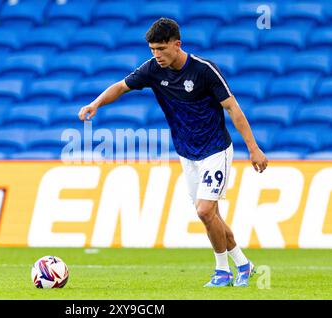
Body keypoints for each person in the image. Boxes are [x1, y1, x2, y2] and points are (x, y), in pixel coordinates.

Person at [78, 18, 268, 287]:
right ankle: (243, 264)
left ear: (177, 44)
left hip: (215, 149)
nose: (157, 55)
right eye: (152, 49)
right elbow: (121, 86)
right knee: (211, 215)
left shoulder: (204, 70)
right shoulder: (153, 69)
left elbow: (233, 109)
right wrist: (95, 103)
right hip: (186, 153)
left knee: (204, 211)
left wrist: (253, 148)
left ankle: (222, 272)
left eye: (161, 49)